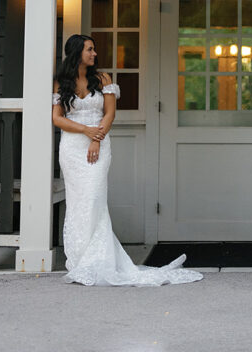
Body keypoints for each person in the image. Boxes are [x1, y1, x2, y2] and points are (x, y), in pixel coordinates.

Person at [52, 34, 202, 286]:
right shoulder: (61, 82)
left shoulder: (102, 79)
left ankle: (99, 259)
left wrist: (96, 138)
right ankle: (81, 260)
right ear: (77, 52)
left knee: (94, 198)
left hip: (98, 143)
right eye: (90, 49)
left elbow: (109, 113)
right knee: (78, 201)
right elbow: (57, 118)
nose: (94, 54)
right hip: (72, 147)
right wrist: (84, 131)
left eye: (94, 49)